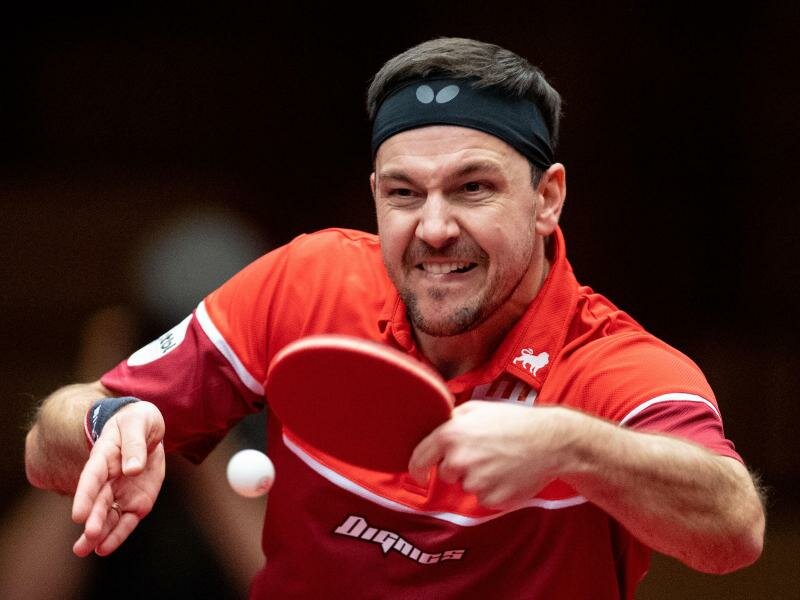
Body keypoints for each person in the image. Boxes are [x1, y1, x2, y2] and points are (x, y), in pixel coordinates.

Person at [25, 37, 765, 598]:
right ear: (376, 193)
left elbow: (734, 529)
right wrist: (105, 424)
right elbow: (48, 443)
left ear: (548, 198)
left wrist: (572, 444)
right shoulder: (304, 284)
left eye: (472, 188)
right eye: (405, 194)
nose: (434, 227)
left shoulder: (607, 363)